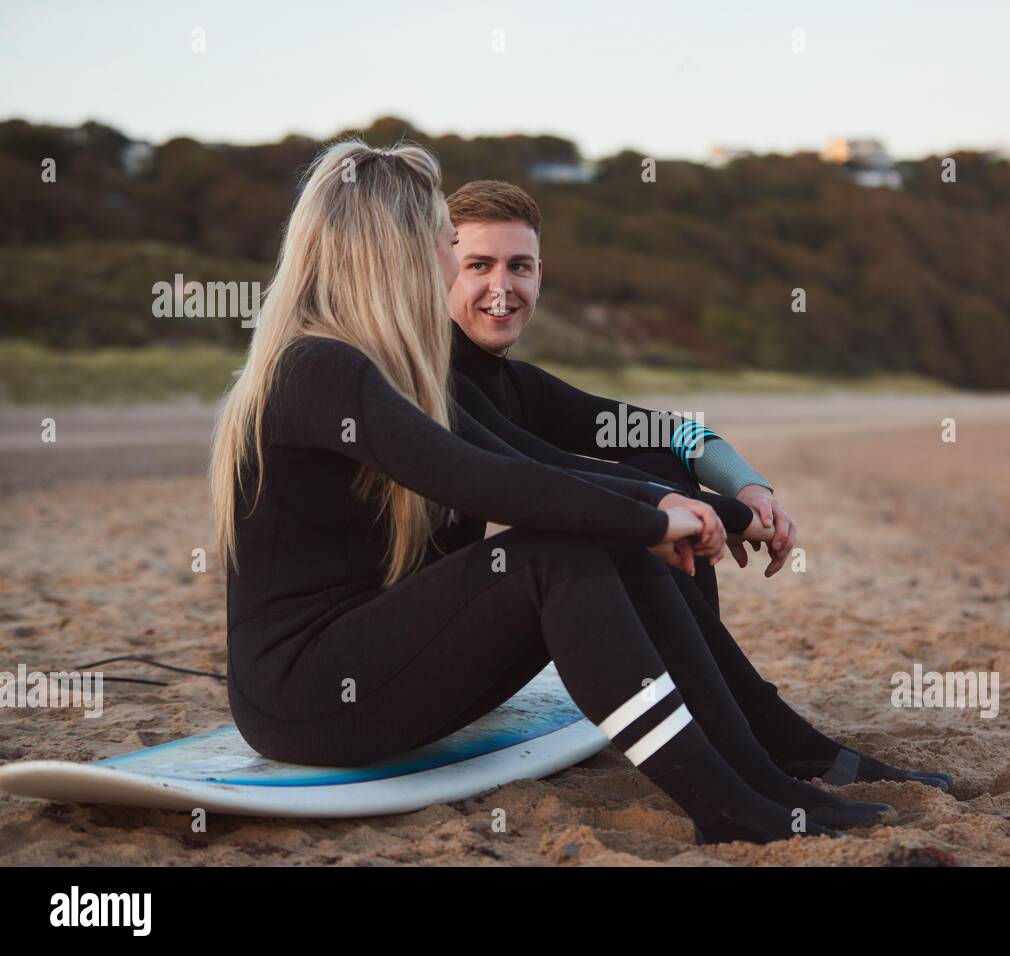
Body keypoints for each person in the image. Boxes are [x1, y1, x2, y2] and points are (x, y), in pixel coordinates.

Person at [210, 140, 894, 846]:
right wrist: (668, 513)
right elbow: (483, 477)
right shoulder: (321, 367)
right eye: (454, 249)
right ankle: (727, 801)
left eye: (513, 264)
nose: (457, 267)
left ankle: (761, 775)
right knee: (555, 558)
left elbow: (533, 460)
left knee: (606, 538)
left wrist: (711, 502)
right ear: (400, 250)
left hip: (380, 663)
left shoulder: (391, 371)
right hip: (307, 693)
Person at [443, 179, 954, 791]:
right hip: (423, 645)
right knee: (615, 512)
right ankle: (759, 728)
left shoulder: (515, 383)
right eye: (479, 265)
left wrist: (750, 489)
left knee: (657, 459)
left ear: (540, 275)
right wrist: (716, 518)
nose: (502, 288)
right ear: (441, 267)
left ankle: (717, 706)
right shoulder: (428, 380)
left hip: (469, 618)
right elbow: (554, 478)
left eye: (518, 266)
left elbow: (668, 432)